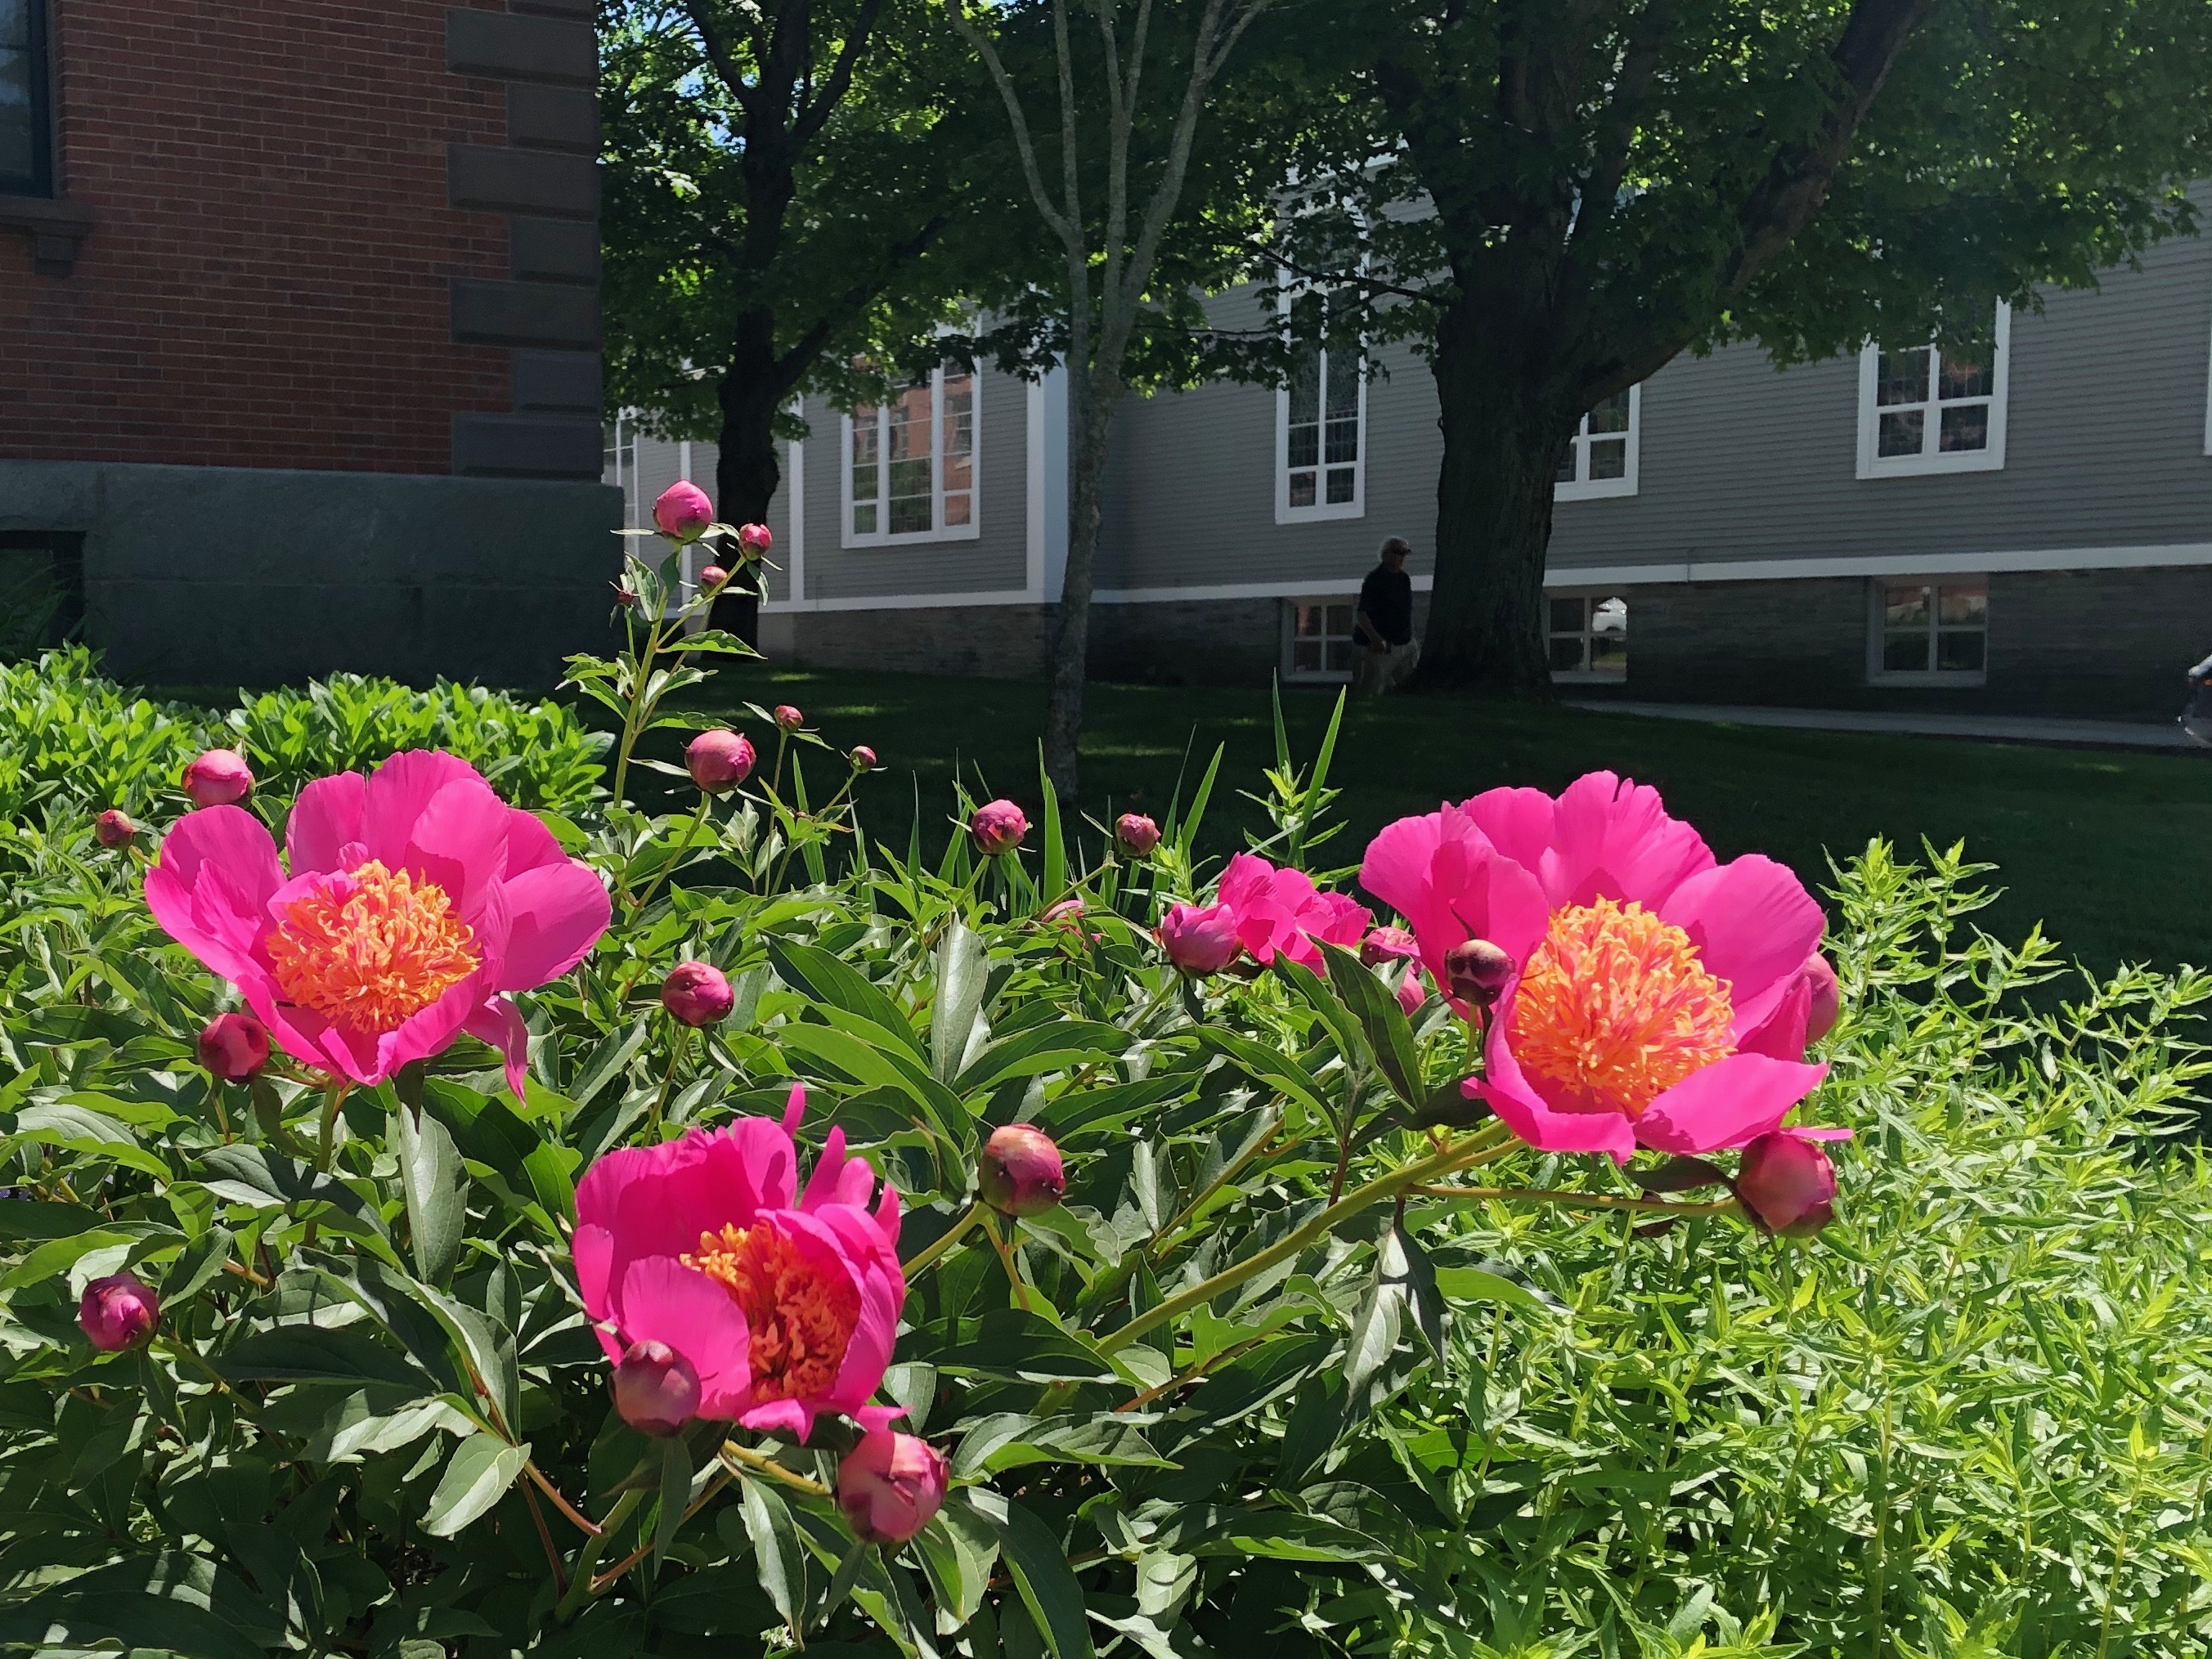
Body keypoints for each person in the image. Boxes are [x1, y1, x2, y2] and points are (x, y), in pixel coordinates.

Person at [1353, 536, 1419, 695]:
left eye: (1405, 553)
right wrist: (1376, 640)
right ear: (1385, 554)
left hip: (1405, 645)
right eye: (1398, 552)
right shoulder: (1375, 580)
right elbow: (1362, 614)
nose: (1402, 557)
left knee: (1407, 689)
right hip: (1380, 649)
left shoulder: (1404, 579)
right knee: (1371, 691)